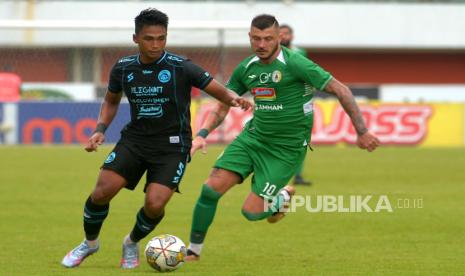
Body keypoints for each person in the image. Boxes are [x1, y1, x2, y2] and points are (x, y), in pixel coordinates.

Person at [61, 8, 251, 269]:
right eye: (149, 38)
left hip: (173, 146)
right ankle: (90, 243)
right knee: (102, 192)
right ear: (135, 38)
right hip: (135, 140)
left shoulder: (181, 66)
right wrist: (100, 129)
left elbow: (219, 90)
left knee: (155, 203)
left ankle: (131, 241)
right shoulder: (124, 68)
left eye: (161, 38)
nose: (156, 44)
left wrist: (234, 98)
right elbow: (110, 100)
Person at [185, 14, 380, 261]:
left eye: (268, 38)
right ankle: (193, 251)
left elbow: (341, 90)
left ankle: (283, 195)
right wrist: (202, 135)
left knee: (251, 212)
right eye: (256, 38)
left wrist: (361, 132)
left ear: (279, 38)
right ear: (250, 38)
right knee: (210, 189)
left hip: (285, 150)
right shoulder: (246, 68)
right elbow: (224, 103)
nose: (262, 44)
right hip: (253, 139)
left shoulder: (297, 64)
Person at [280, 24, 311, 185]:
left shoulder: (300, 52)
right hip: (278, 103)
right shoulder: (271, 54)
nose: (283, 36)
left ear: (291, 36)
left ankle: (298, 176)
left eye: (286, 33)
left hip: (298, 102)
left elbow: (307, 74)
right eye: (281, 33)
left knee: (300, 141)